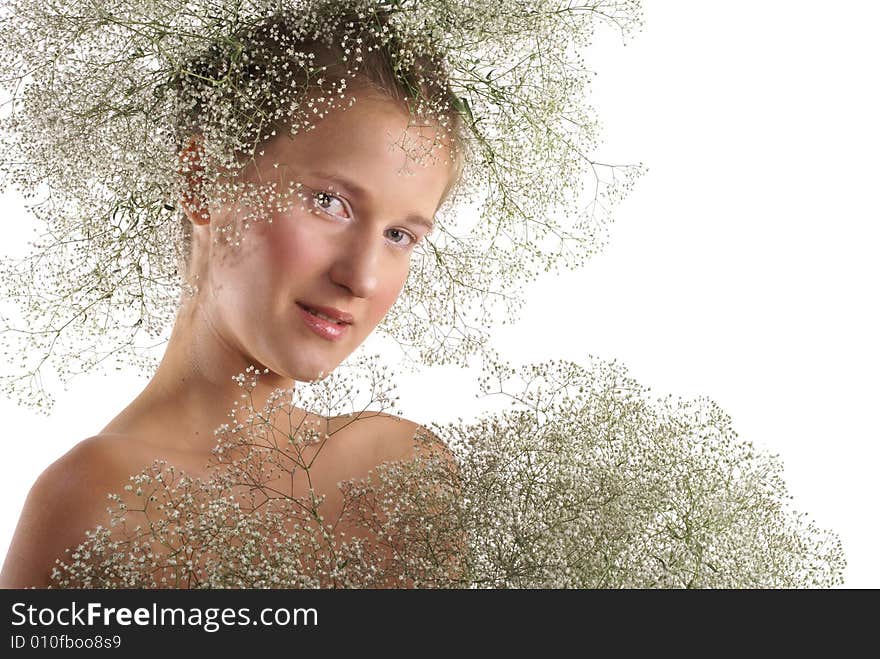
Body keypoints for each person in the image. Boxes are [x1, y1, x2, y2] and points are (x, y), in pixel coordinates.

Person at [0, 9, 464, 588]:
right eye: (328, 203)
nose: (363, 278)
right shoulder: (96, 502)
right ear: (204, 179)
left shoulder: (402, 470)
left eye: (400, 235)